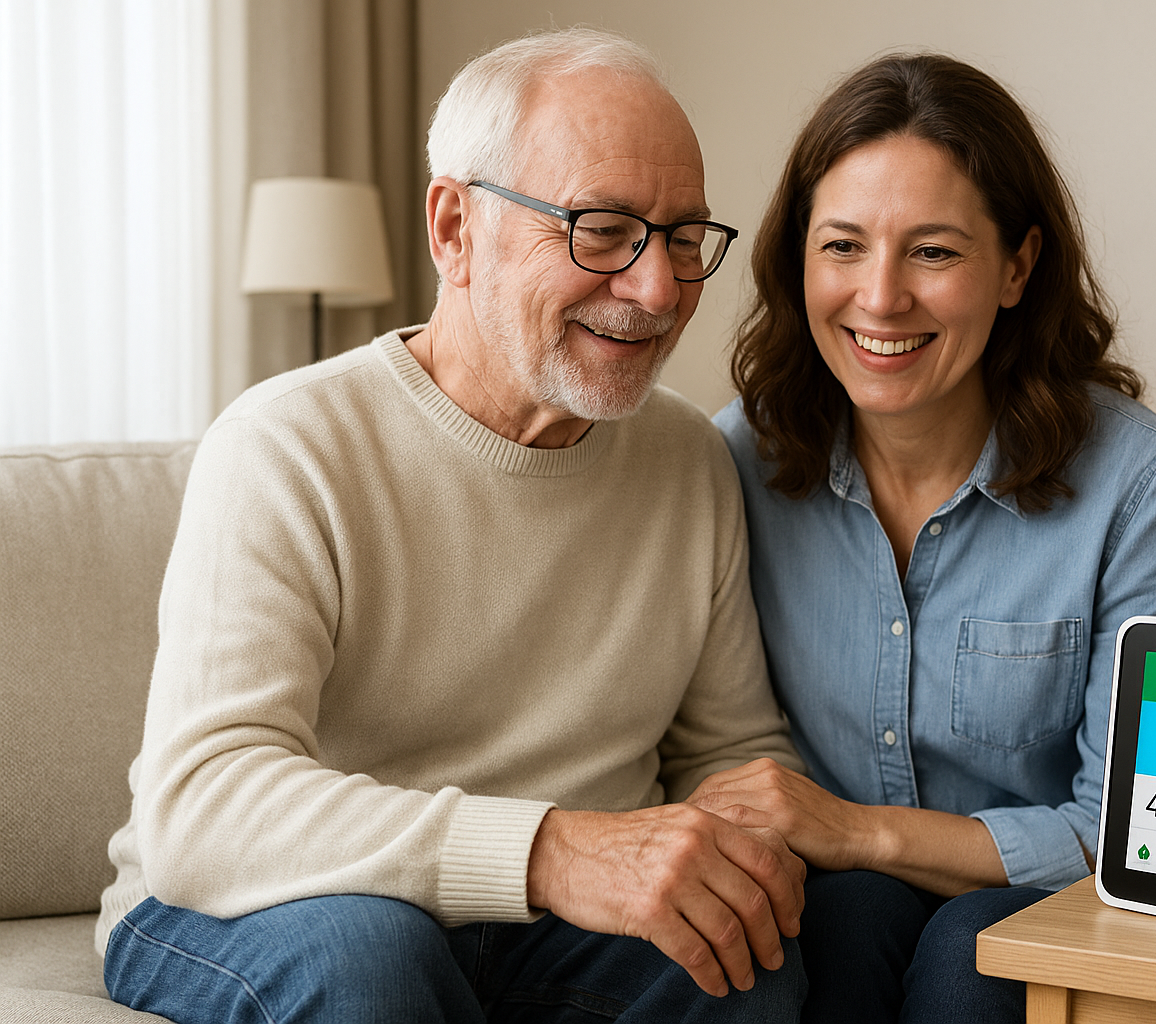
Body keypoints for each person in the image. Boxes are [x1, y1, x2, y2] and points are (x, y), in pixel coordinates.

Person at [96, 29, 809, 1024]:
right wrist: (552, 848)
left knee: (743, 950)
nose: (656, 290)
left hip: (544, 929)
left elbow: (730, 755)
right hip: (257, 904)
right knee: (372, 955)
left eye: (684, 238)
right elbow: (205, 807)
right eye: (601, 229)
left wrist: (745, 846)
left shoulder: (690, 461)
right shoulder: (287, 444)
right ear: (454, 228)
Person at [697, 53, 1156, 1021]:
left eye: (934, 252)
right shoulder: (732, 458)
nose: (882, 297)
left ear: (1018, 265)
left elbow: (1152, 833)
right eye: (843, 246)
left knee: (977, 951)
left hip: (1054, 914)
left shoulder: (1141, 483)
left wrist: (860, 831)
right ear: (798, 259)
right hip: (832, 905)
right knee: (838, 924)